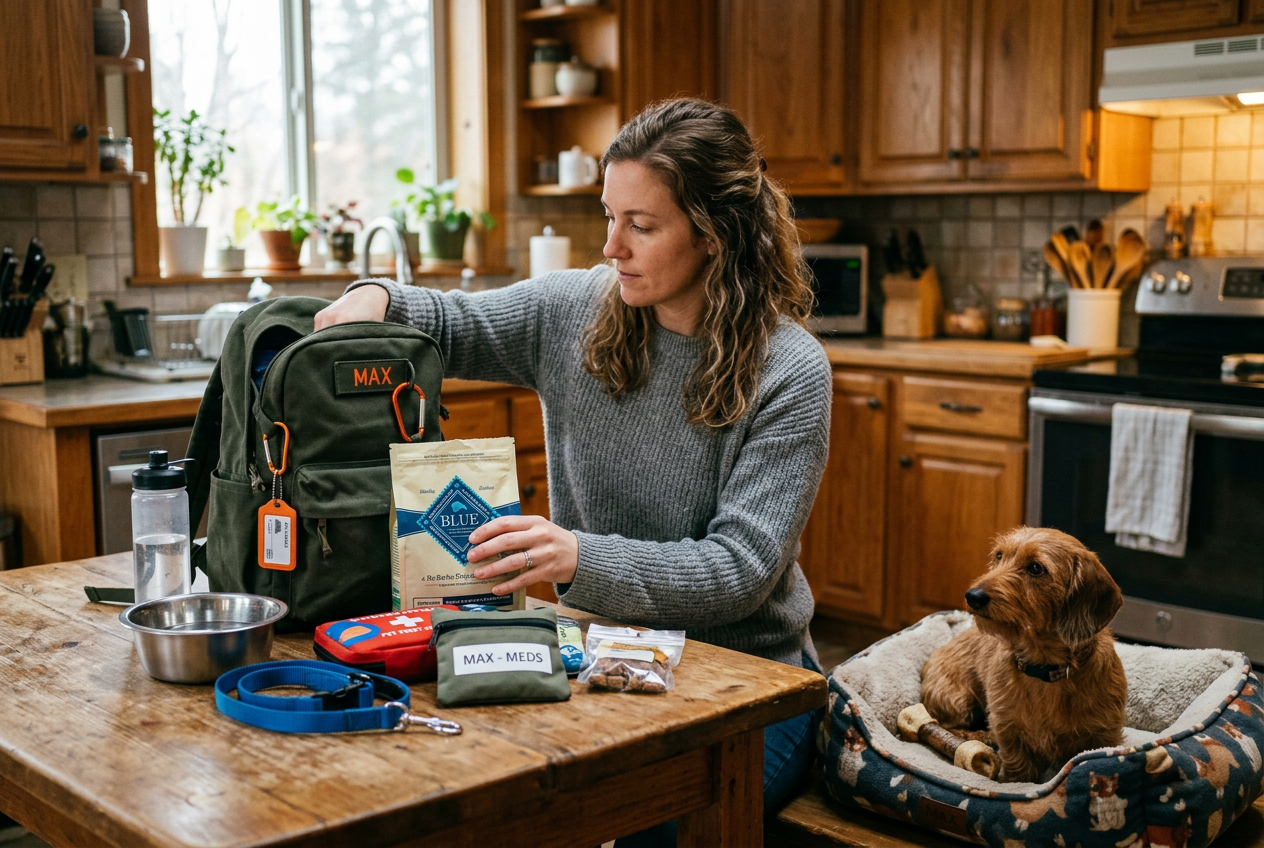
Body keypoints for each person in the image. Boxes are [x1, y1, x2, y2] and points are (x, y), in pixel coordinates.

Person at [315, 98, 832, 831]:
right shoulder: (574, 311)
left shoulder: (790, 370)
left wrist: (574, 557)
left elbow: (739, 569)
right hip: (599, 658)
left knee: (649, 825)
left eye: (642, 226)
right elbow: (452, 323)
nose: (612, 246)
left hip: (750, 687)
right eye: (609, 216)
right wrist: (373, 297)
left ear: (715, 235)